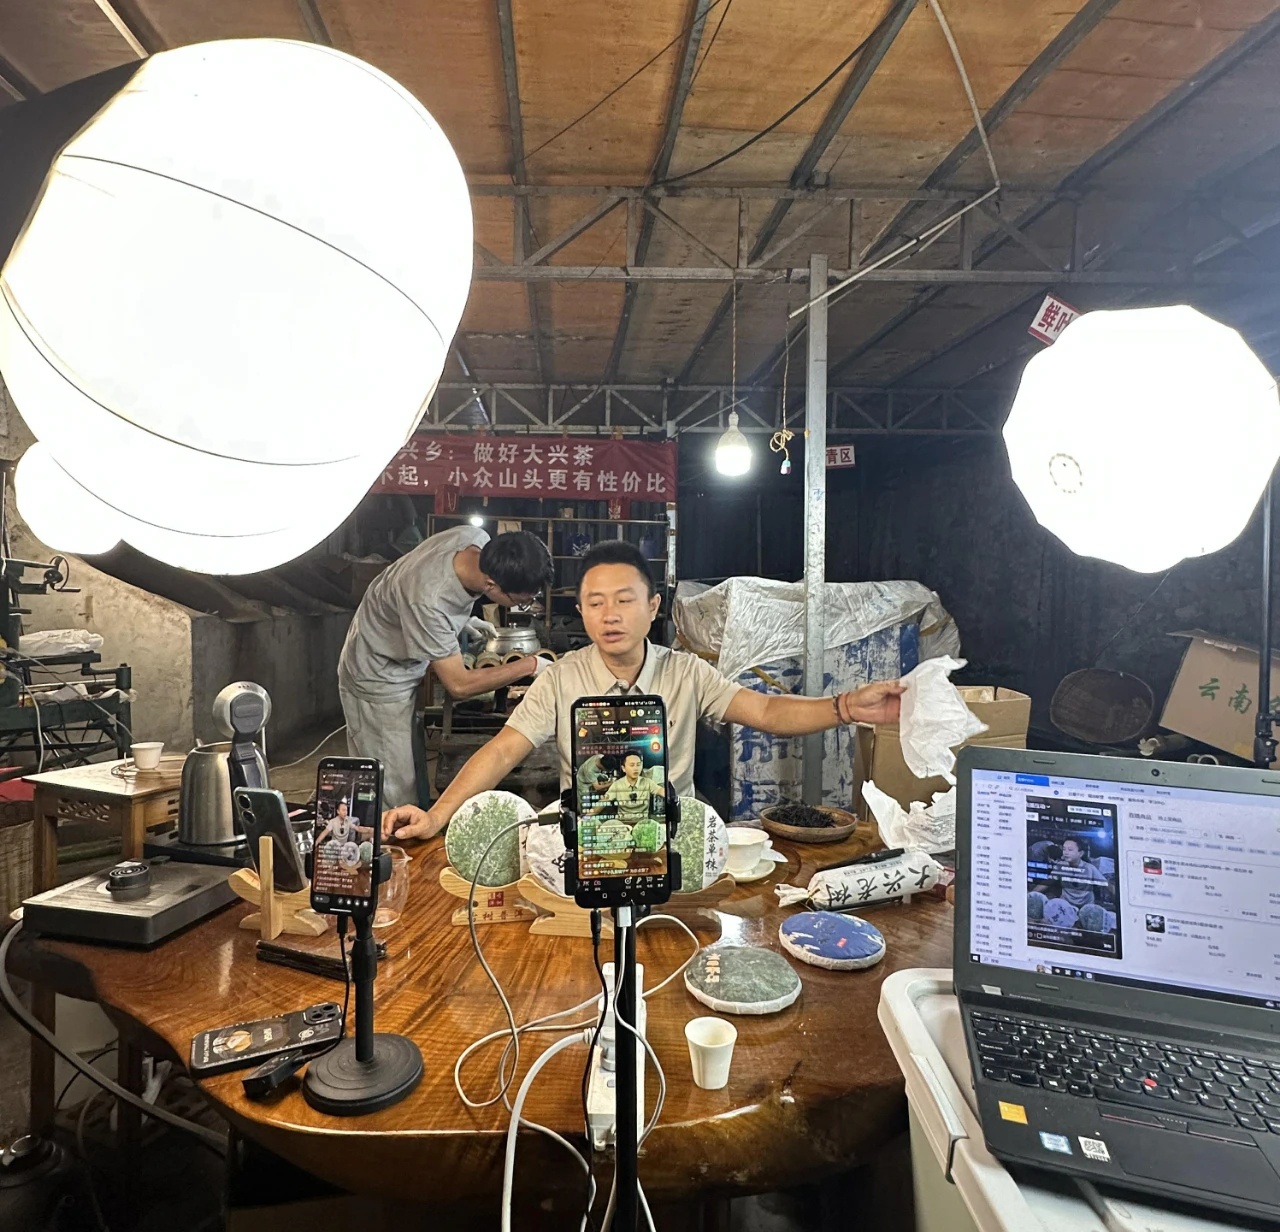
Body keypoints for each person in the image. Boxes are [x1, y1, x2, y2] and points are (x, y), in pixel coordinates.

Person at [383, 540, 904, 841]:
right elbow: (502, 751)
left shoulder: (686, 673)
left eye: (625, 600)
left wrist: (844, 706)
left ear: (653, 607)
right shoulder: (561, 678)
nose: (610, 615)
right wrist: (436, 815)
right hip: (589, 846)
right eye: (595, 603)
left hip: (672, 843)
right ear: (582, 611)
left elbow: (766, 710)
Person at [339, 525, 555, 810]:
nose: (526, 606)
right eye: (521, 602)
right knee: (392, 787)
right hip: (377, 675)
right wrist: (530, 665)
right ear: (491, 585)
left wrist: (460, 621)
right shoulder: (427, 601)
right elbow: (459, 685)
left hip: (400, 644)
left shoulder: (472, 537)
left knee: (411, 767)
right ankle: (394, 834)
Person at [587, 751, 662, 823]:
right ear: (623, 768)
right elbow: (602, 803)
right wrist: (586, 818)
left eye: (638, 765)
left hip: (642, 824)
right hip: (623, 824)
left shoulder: (648, 782)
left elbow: (661, 791)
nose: (636, 768)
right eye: (632, 765)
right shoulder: (617, 785)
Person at [1048, 837, 1110, 909]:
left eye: (1070, 850)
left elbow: (1107, 884)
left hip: (1086, 908)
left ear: (1080, 853)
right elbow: (1048, 882)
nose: (1066, 853)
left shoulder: (1090, 868)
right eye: (1064, 849)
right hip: (1066, 907)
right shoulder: (1060, 866)